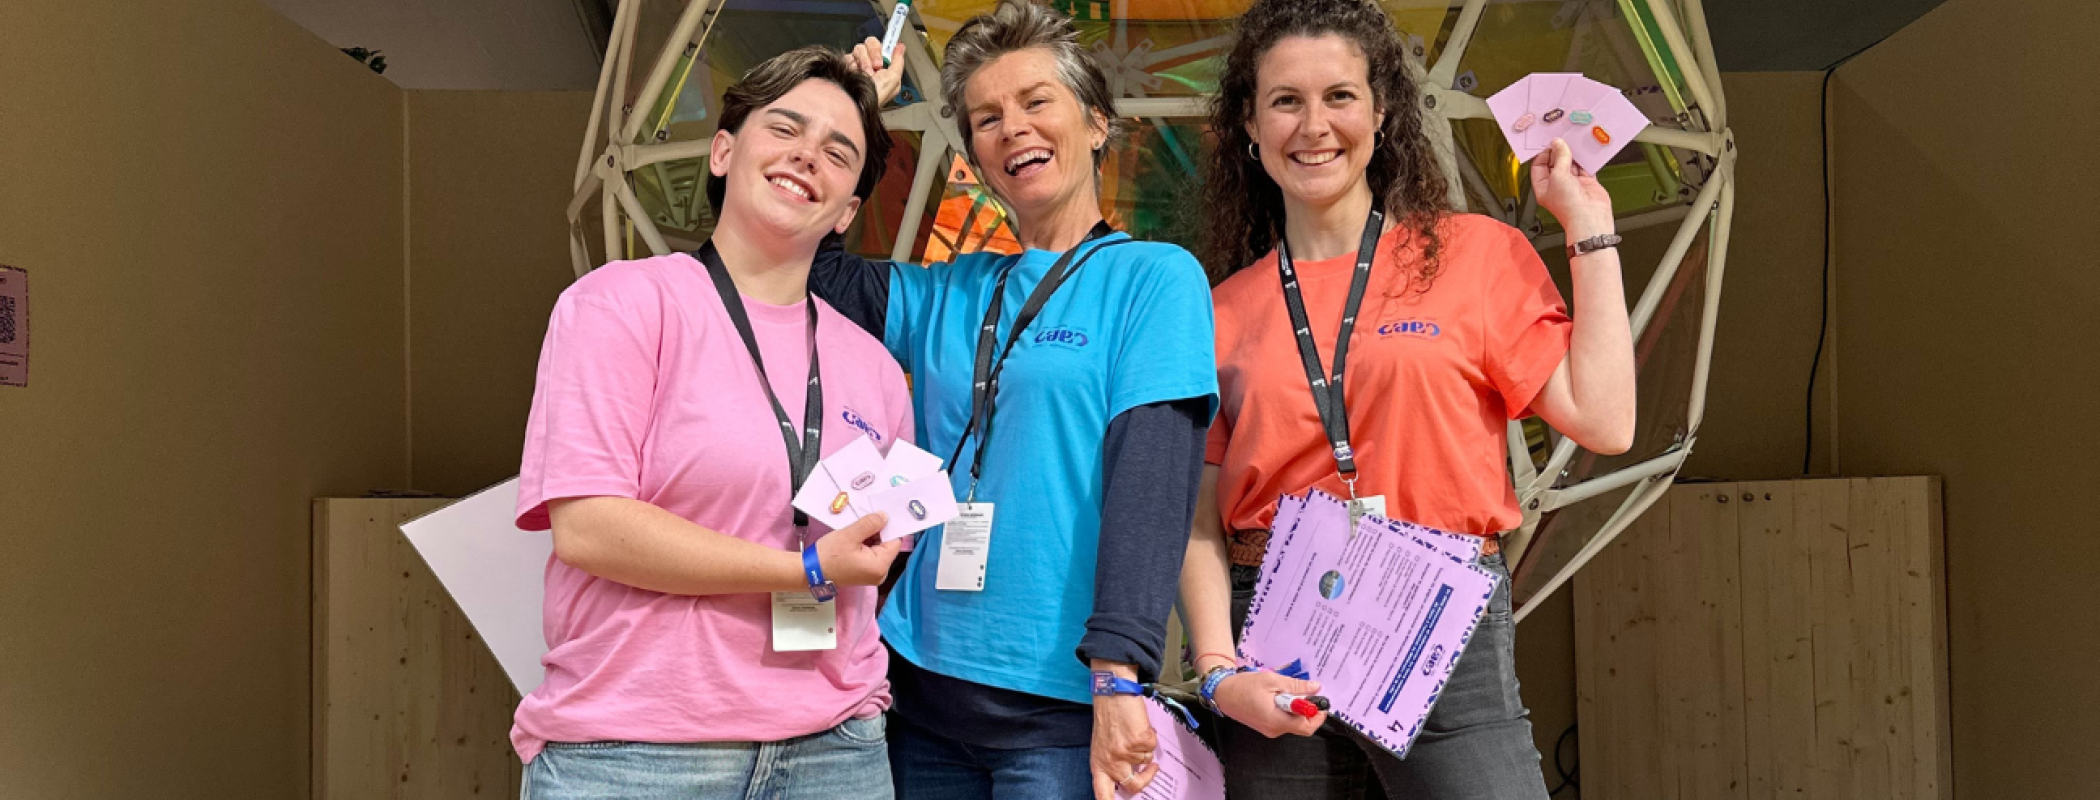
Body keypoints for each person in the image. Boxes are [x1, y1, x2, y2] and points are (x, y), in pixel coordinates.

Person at [1179, 1, 1637, 798]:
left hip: (1436, 615)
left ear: (1383, 112)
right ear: (1249, 126)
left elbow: (1605, 420)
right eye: (1285, 100)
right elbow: (1198, 520)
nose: (1313, 124)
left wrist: (1588, 229)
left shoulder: (1476, 254)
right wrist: (1218, 672)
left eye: (1340, 97)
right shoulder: (1216, 311)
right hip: (1272, 629)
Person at [815, 3, 1218, 797]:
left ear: (1097, 122)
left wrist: (1119, 677)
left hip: (1061, 713)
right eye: (987, 118)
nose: (1013, 129)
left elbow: (1153, 487)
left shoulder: (1155, 279)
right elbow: (806, 268)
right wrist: (855, 107)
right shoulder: (949, 290)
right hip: (917, 693)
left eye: (1037, 102)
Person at [509, 46, 912, 798]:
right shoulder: (622, 305)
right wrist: (806, 570)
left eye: (838, 151)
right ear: (725, 149)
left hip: (835, 748)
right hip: (634, 751)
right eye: (784, 128)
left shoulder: (877, 370)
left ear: (850, 207)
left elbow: (881, 544)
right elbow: (589, 526)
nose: (806, 157)